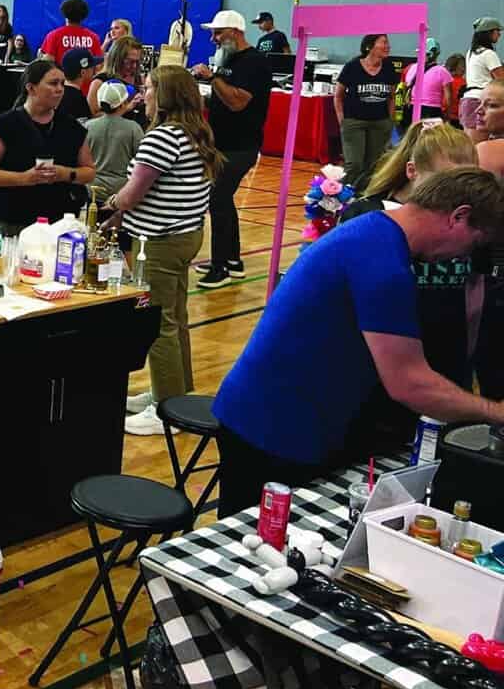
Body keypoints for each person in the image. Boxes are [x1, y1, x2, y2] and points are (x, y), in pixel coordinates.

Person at [212, 166, 504, 517]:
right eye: (474, 243)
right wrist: (494, 412)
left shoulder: (375, 235)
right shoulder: (382, 264)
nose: (463, 256)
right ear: (459, 217)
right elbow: (409, 384)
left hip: (269, 416)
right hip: (274, 429)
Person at [337, 122, 482, 452]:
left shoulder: (467, 220)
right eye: (447, 183)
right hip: (379, 373)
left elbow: (475, 294)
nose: (459, 196)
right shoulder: (369, 216)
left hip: (444, 364)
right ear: (412, 171)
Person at [100, 66, 218, 435]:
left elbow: (133, 194)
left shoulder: (162, 138)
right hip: (186, 235)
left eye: (149, 88)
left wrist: (110, 206)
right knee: (176, 316)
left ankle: (167, 408)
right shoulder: (196, 134)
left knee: (158, 323)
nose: (143, 93)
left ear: (164, 96)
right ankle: (173, 391)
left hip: (160, 241)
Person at [190, 9, 270, 287]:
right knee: (223, 201)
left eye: (218, 33)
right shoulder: (229, 58)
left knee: (218, 199)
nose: (213, 38)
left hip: (241, 146)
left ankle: (220, 266)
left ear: (235, 33)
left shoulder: (254, 63)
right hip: (222, 142)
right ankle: (232, 260)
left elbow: (238, 102)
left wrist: (213, 79)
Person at [0, 60, 96, 237]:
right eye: (53, 83)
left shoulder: (72, 127)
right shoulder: (5, 126)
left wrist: (64, 173)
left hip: (59, 222)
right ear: (31, 88)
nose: (60, 89)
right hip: (13, 221)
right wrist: (24, 178)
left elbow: (89, 171)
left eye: (62, 83)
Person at [335, 32, 398, 192]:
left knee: (374, 165)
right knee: (354, 164)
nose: (387, 46)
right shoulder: (352, 66)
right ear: (369, 46)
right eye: (383, 42)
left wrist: (390, 121)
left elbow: (391, 97)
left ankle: (365, 196)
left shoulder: (389, 68)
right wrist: (342, 120)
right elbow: (338, 96)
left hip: (380, 123)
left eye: (388, 43)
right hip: (354, 122)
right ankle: (342, 197)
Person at [85, 80, 142, 223]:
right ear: (123, 103)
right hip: (120, 193)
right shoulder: (133, 128)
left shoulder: (88, 126)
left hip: (92, 191)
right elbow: (141, 160)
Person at [87, 36, 146, 123]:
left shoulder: (139, 79)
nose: (134, 66)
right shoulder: (100, 82)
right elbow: (92, 116)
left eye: (137, 62)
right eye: (129, 61)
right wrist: (125, 109)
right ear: (118, 59)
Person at [461, 16, 504, 130]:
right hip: (482, 100)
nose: (499, 34)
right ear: (489, 33)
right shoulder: (489, 54)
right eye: (497, 31)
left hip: (468, 99)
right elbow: (501, 80)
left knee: (471, 143)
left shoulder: (471, 53)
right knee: (480, 142)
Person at [38, 0, 102, 63]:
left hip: (61, 72)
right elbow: (98, 63)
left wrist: (41, 57)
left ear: (64, 14)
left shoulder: (53, 35)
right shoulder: (93, 37)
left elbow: (49, 60)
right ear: (84, 16)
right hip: (86, 73)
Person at [402, 37, 451, 124]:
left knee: (412, 136)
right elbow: (447, 99)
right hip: (432, 111)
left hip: (411, 109)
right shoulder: (442, 71)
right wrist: (446, 116)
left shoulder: (411, 68)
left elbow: (405, 90)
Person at [56, 49, 96, 124]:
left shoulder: (58, 93)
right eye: (92, 68)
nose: (95, 70)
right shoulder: (78, 99)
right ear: (83, 72)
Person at [446, 53, 467, 125]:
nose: (464, 69)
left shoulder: (444, 81)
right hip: (458, 118)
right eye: (463, 66)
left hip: (445, 116)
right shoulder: (463, 83)